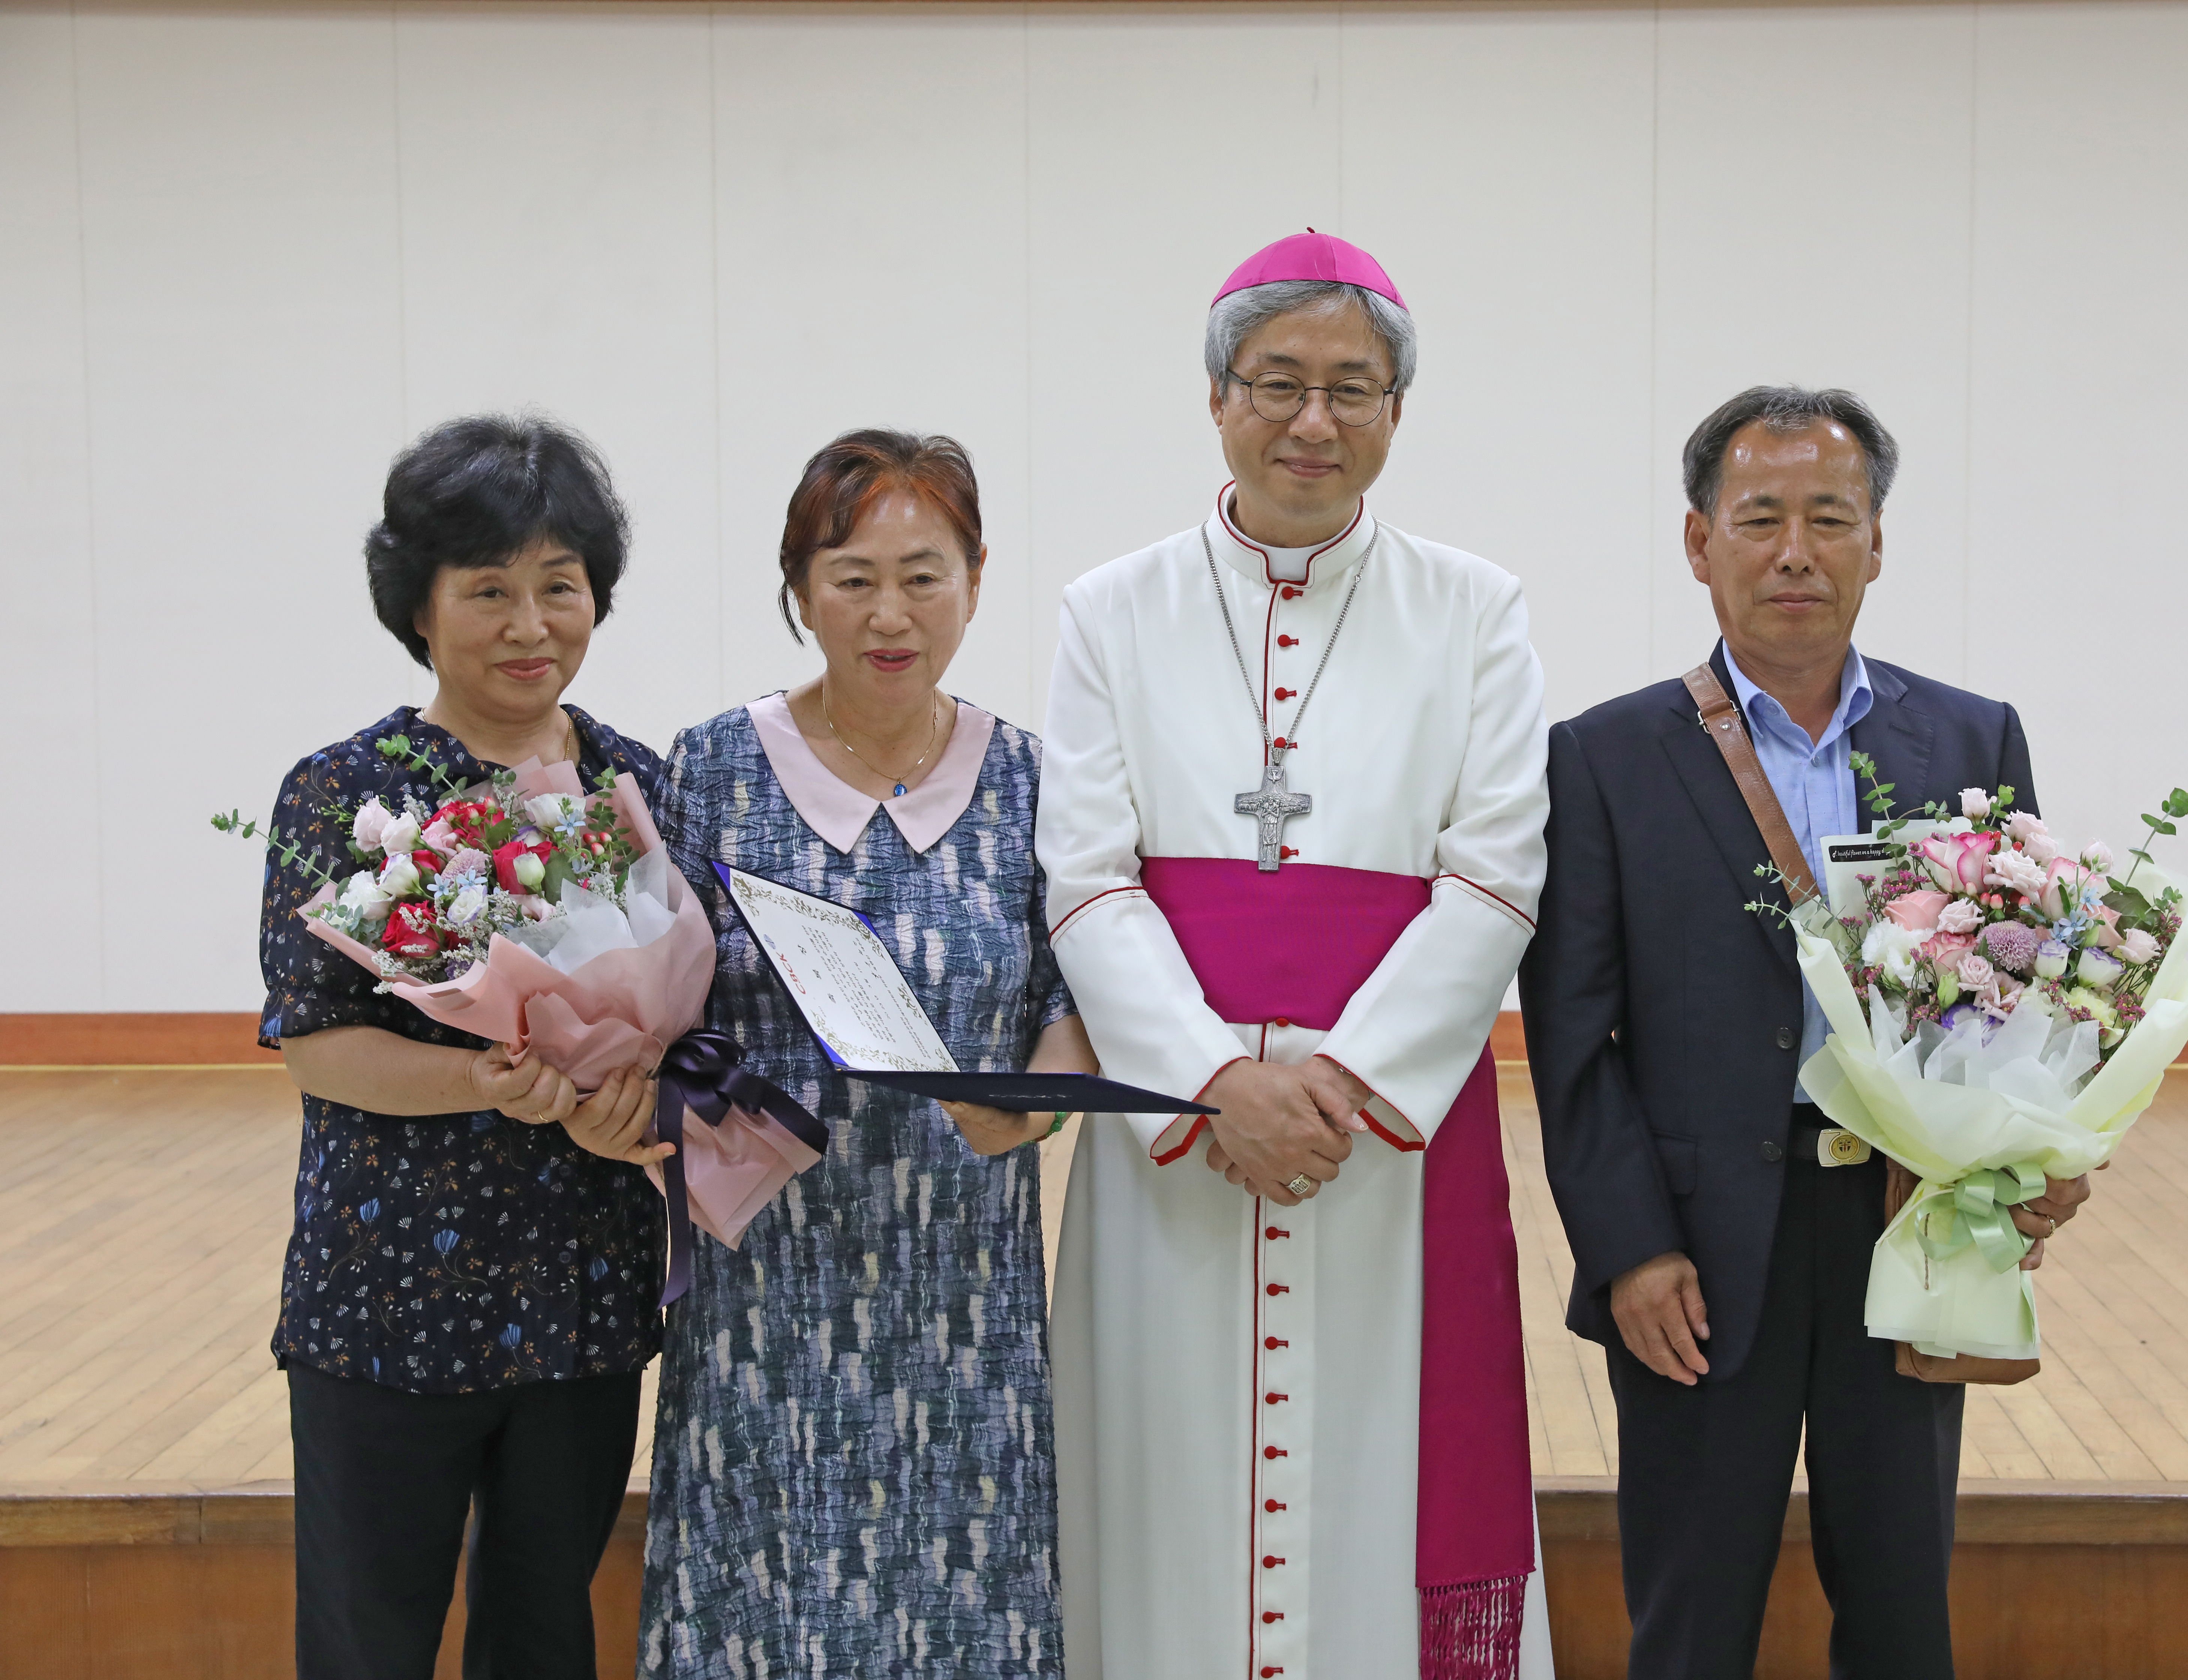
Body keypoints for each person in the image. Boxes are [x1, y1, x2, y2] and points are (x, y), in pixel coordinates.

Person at [1039, 232, 1555, 1680]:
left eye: (1352, 388)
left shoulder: (1475, 609)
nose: (1312, 421)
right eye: (1278, 382)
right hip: (1177, 1137)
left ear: (1397, 411)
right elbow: (1086, 878)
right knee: (1166, 1486)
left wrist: (1338, 1085)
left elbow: (1496, 875)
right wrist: (1216, 1082)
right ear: (1217, 396)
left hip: (1379, 1138)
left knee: (1381, 1478)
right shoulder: (1111, 609)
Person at [1520, 387, 2097, 1678]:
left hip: (1905, 1222)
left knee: (1900, 1610)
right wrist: (1629, 1248)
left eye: (1830, 518)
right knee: (1691, 1616)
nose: (1796, 552)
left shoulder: (1971, 737)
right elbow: (1572, 1040)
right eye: (1761, 517)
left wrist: (2036, 1158)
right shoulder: (1604, 757)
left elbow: (2027, 989)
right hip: (1697, 1247)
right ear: (1700, 541)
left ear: (1876, 542)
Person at [637, 429, 1090, 1677]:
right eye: (852, 578)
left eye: (924, 575)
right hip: (767, 1276)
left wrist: (1038, 1106)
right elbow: (654, 999)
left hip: (964, 1283)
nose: (890, 614)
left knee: (965, 1594)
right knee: (769, 1596)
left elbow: (1068, 999)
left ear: (976, 581)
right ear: (800, 589)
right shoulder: (715, 766)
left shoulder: (1030, 779)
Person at [259, 414, 673, 1680]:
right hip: (390, 1296)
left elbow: (688, 1031)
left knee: (544, 1634)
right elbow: (317, 1043)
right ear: (420, 607)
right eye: (489, 590)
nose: (529, 624)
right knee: (368, 1640)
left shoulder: (639, 787)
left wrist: (635, 1105)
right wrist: (485, 1082)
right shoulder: (349, 793)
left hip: (581, 1296)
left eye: (561, 586)